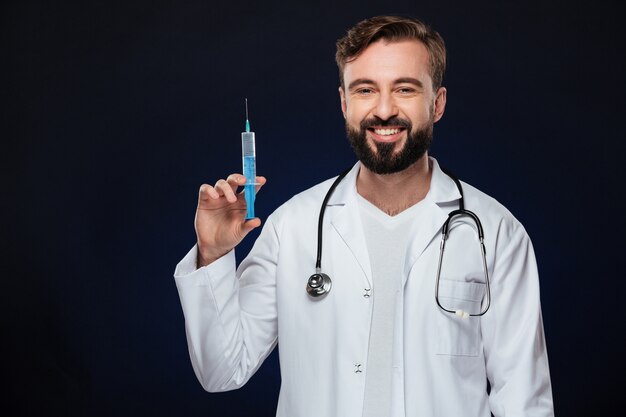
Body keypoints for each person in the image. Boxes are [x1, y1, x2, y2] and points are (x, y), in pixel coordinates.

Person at [174, 15, 554, 417]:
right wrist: (212, 254)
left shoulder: (496, 233)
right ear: (344, 103)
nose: (384, 109)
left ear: (437, 103)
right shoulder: (293, 228)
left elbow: (523, 401)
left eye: (405, 89)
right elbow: (222, 370)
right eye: (365, 90)